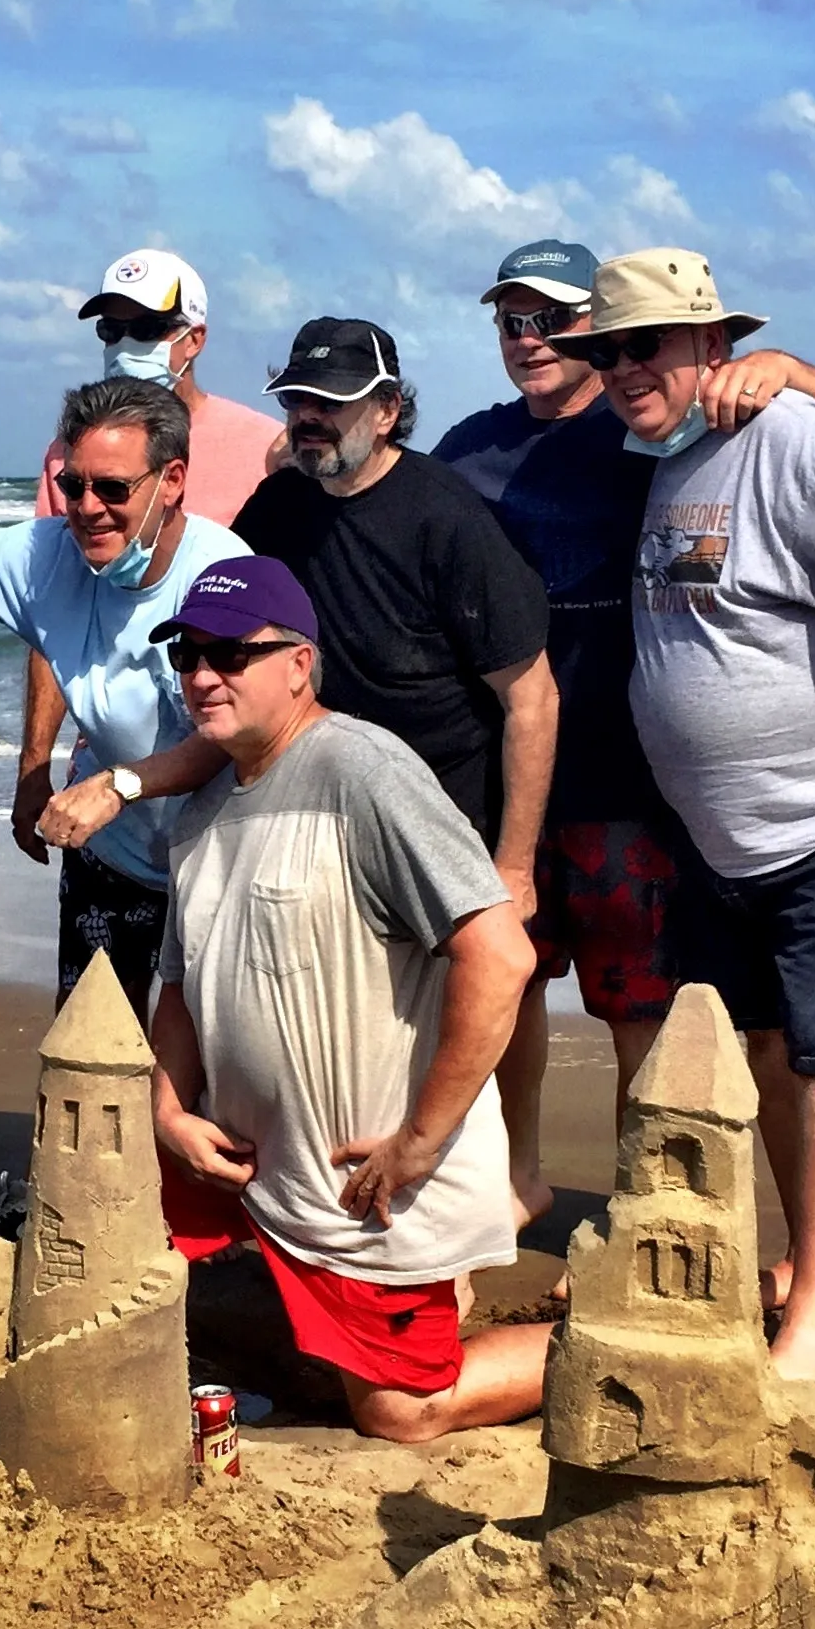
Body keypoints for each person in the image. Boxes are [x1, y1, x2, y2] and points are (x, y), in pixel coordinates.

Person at [554, 247, 815, 1400]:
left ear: (711, 343)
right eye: (607, 351)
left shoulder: (792, 439)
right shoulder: (666, 450)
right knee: (765, 1054)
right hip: (719, 842)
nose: (622, 369)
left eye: (644, 345)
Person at [433, 240, 815, 1195]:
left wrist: (787, 368)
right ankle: (518, 1179)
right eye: (510, 322)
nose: (529, 339)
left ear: (598, 326)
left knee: (640, 1004)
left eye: (553, 320)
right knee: (506, 981)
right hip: (508, 778)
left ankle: (643, 1193)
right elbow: (394, 513)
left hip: (630, 780)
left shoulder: (664, 424)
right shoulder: (467, 450)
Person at [145, 558, 553, 1442]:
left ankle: (619, 1343)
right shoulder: (201, 810)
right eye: (188, 655)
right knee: (125, 1270)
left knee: (403, 1412)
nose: (204, 675)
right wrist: (168, 1112)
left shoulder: (362, 770)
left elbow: (499, 955)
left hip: (362, 1193)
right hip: (253, 1179)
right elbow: (179, 983)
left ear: (300, 664)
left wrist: (421, 1138)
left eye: (231, 654)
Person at [232, 317, 559, 1216]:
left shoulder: (447, 516)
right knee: (350, 1015)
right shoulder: (278, 509)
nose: (310, 418)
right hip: (324, 805)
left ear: (386, 411)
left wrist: (514, 866)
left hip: (446, 807)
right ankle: (335, 1188)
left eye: (331, 404)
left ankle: (494, 1190)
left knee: (464, 1009)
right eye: (298, 401)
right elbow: (227, 623)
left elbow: (532, 699)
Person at [0, 376, 247, 1018]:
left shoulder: (220, 576)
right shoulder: (44, 555)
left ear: (173, 481)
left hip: (219, 863)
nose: (88, 507)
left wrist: (119, 785)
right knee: (86, 1046)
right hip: (112, 856)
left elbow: (235, 735)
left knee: (198, 1064)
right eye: (74, 485)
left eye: (113, 488)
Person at [16, 249, 280, 872]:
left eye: (148, 327)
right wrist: (34, 766)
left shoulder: (265, 450)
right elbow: (53, 619)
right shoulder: (70, 454)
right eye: (112, 329)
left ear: (194, 339)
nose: (125, 344)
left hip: (234, 800)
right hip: (106, 804)